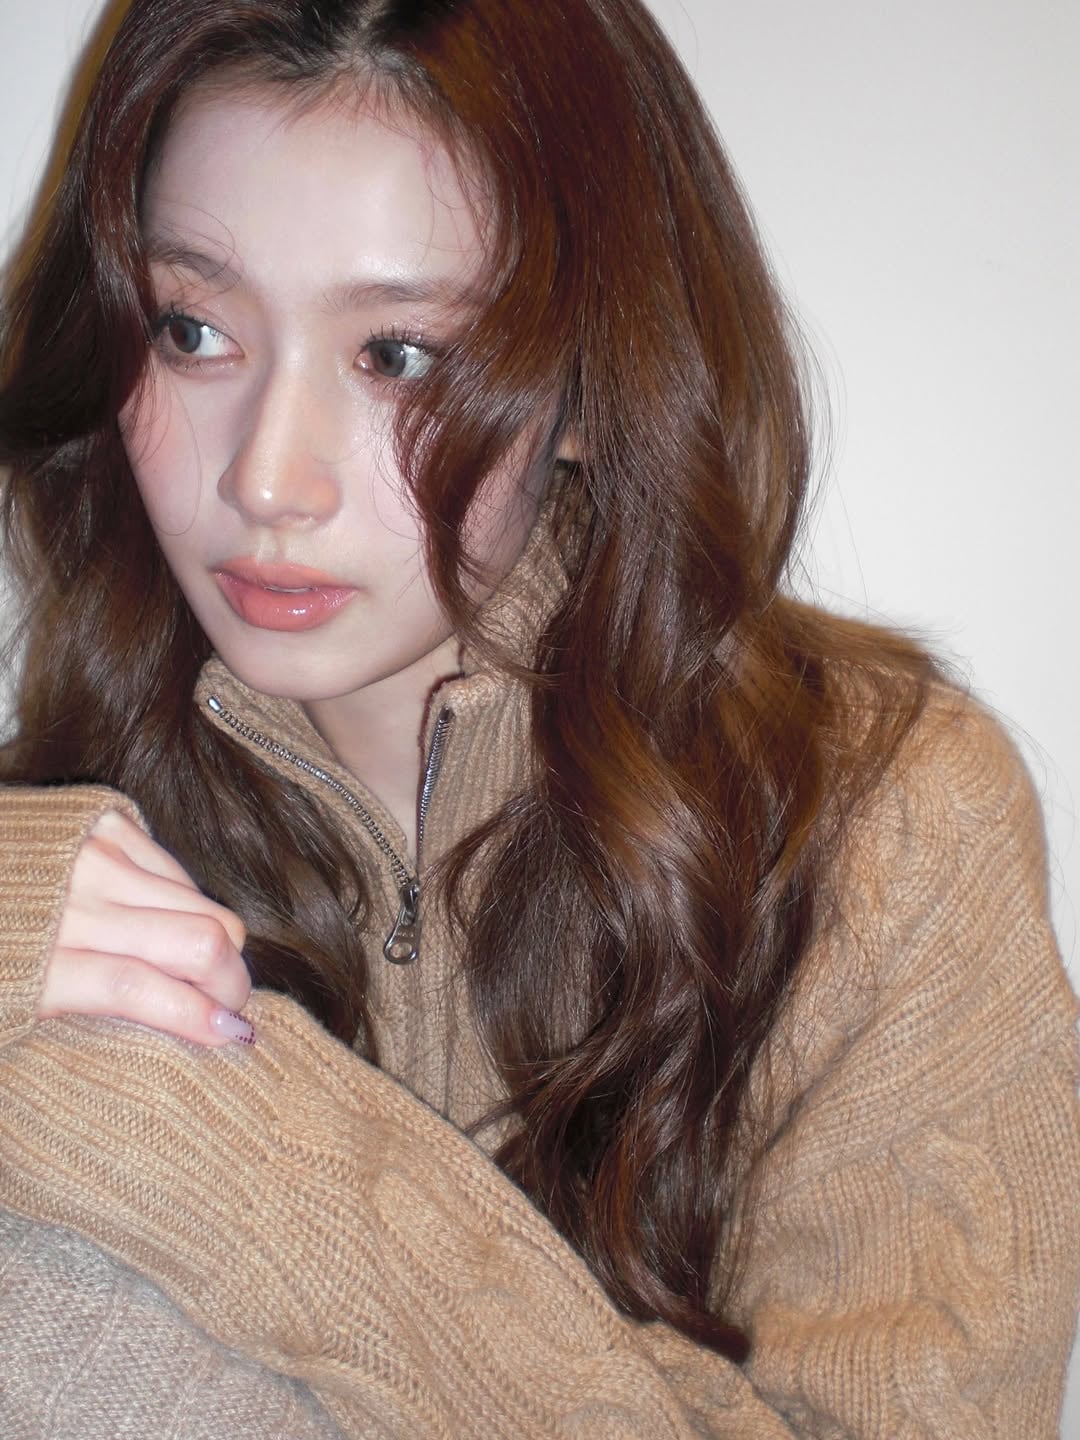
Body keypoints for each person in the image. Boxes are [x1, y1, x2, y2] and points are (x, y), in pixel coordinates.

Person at [0, 0, 1077, 1435]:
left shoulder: (880, 826)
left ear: (587, 380)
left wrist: (236, 1152)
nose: (265, 479)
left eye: (401, 355)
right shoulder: (61, 842)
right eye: (192, 330)